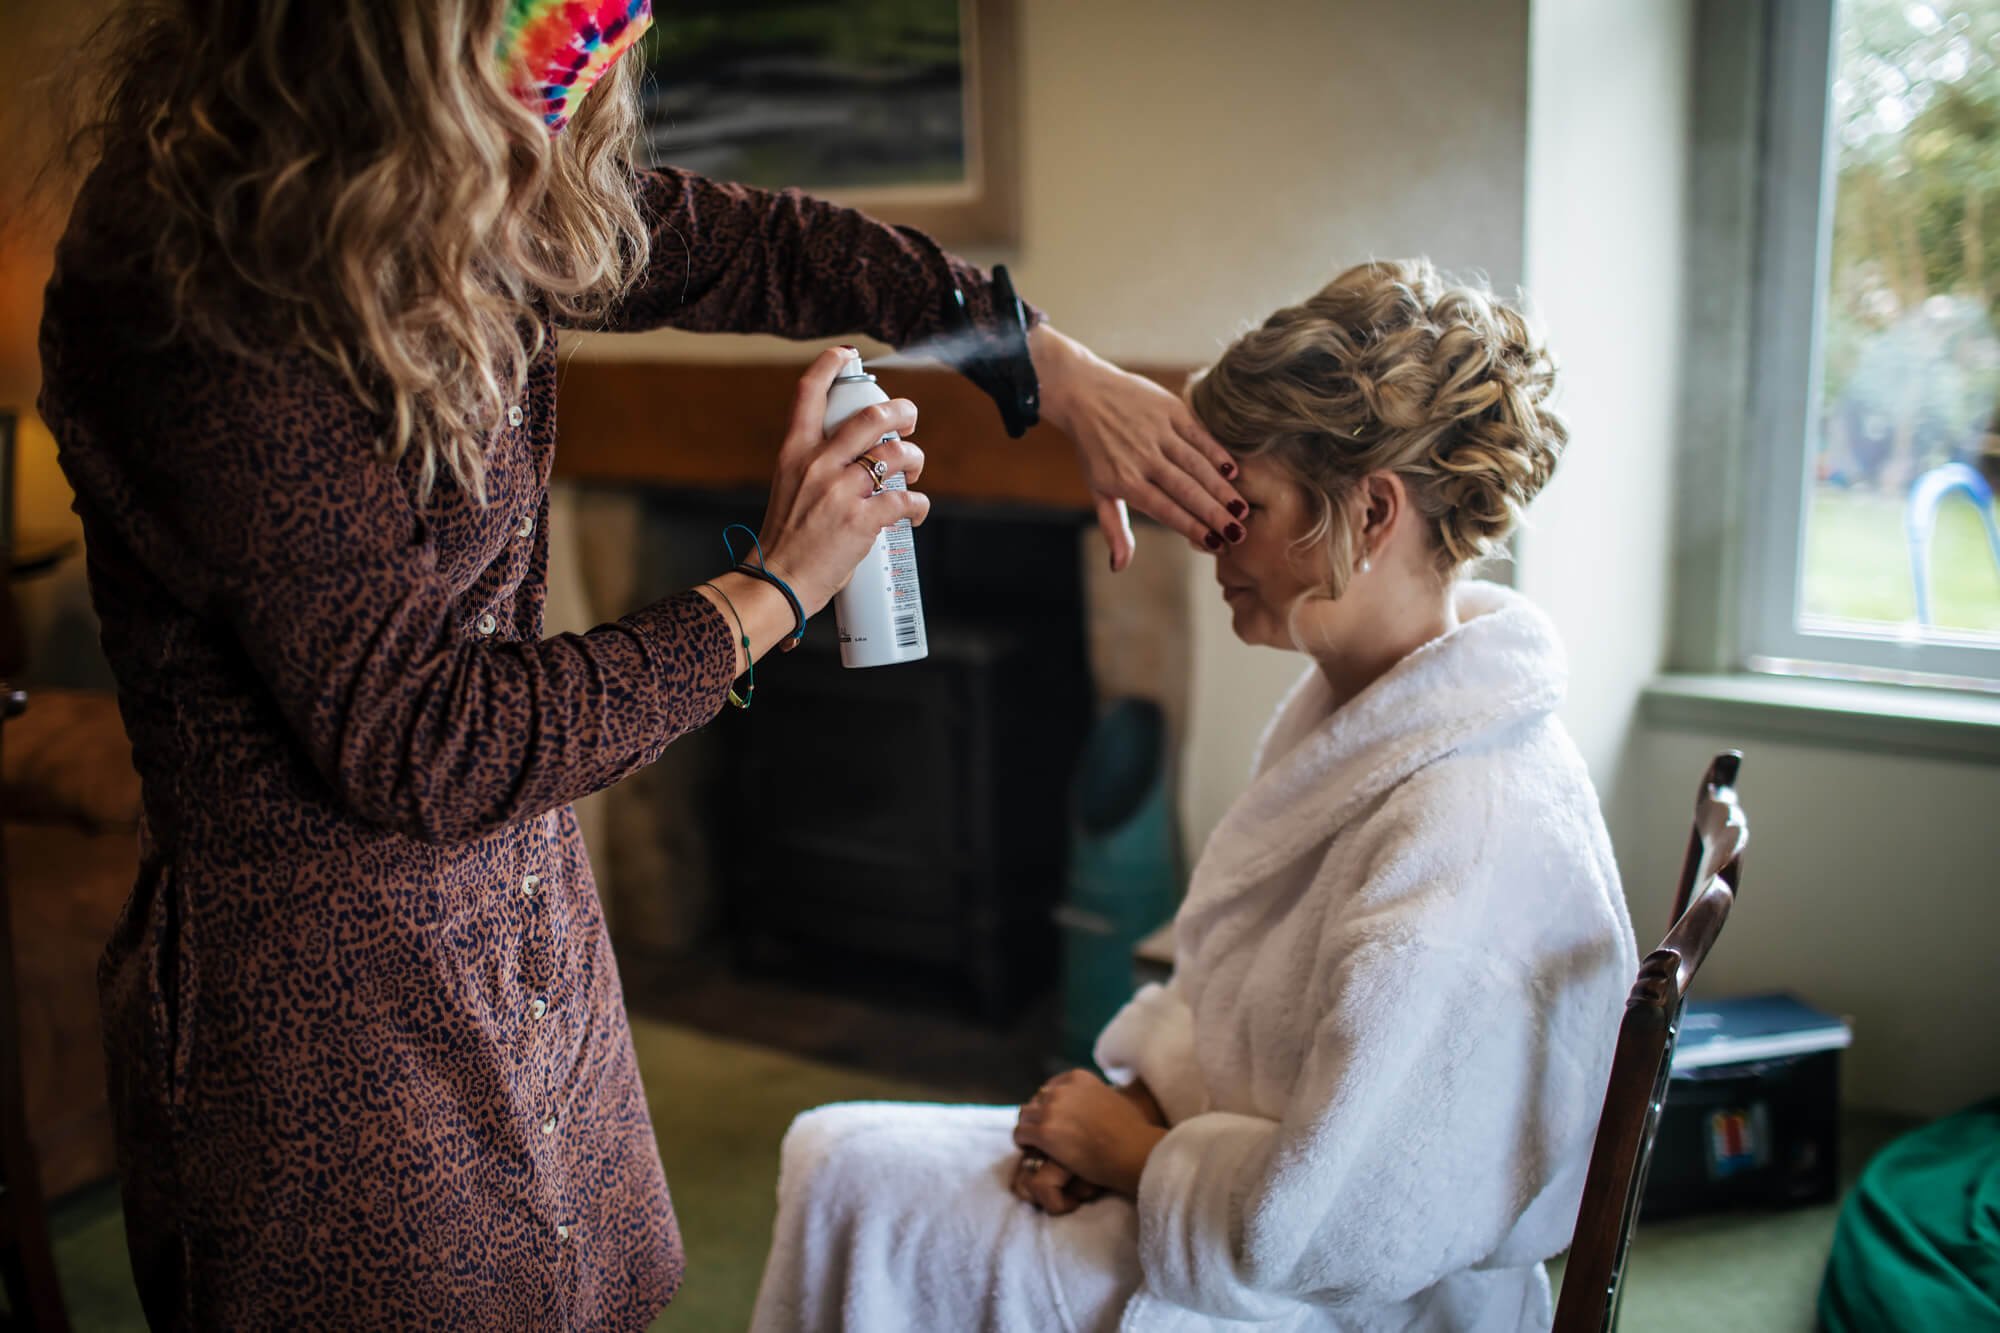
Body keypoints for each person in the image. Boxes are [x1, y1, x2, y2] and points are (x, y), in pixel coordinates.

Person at [33, 1, 1250, 1326]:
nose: (567, 99)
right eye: (547, 42)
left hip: (527, 924)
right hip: (327, 1024)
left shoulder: (462, 183)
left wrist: (1035, 360)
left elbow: (744, 246)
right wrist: (777, 585)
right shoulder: (190, 278)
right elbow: (431, 741)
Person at [752, 260, 1641, 1333]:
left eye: (1244, 499)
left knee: (849, 1172)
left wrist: (1139, 1156)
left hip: (1323, 1299)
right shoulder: (1363, 716)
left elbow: (1352, 1229)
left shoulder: (1463, 835)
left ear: (1369, 509)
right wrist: (1132, 1107)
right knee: (835, 1153)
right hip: (1207, 1180)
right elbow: (1244, 1017)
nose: (1201, 527)